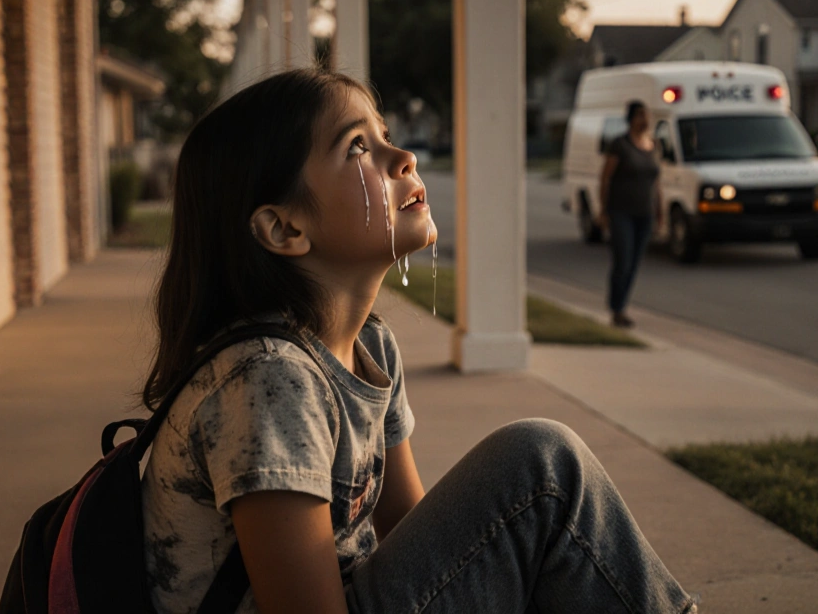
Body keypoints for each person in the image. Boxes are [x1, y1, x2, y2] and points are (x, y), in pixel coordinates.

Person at [140, 69, 696, 614]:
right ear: (284, 229)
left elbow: (420, 536)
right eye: (358, 147)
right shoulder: (267, 380)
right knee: (541, 469)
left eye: (383, 134)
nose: (401, 156)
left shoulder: (369, 348)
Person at [599, 100, 664, 329]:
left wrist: (659, 212)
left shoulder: (653, 145)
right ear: (630, 119)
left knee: (635, 263)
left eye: (646, 116)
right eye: (639, 115)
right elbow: (606, 177)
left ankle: (622, 305)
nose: (644, 120)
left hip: (644, 213)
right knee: (623, 261)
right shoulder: (620, 145)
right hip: (621, 212)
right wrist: (603, 210)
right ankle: (617, 309)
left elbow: (656, 182)